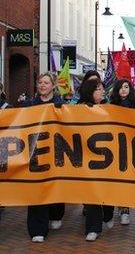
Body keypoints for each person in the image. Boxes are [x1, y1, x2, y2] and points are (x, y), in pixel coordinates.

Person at [23, 72, 65, 243]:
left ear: (53, 86)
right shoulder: (29, 104)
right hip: (34, 153)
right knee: (35, 189)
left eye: (46, 82)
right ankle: (37, 229)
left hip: (55, 152)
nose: (42, 85)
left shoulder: (60, 105)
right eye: (40, 82)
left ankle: (56, 213)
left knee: (54, 186)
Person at [78, 77, 115, 241]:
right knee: (91, 192)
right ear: (90, 91)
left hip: (107, 158)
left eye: (102, 88)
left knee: (107, 193)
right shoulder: (78, 109)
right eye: (98, 89)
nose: (102, 91)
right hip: (86, 157)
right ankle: (93, 228)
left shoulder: (109, 108)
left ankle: (108, 214)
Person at [110, 79, 135, 225]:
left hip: (130, 147)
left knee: (126, 179)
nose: (123, 90)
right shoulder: (110, 106)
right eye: (121, 87)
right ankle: (115, 207)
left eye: (126, 87)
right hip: (114, 147)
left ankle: (125, 209)